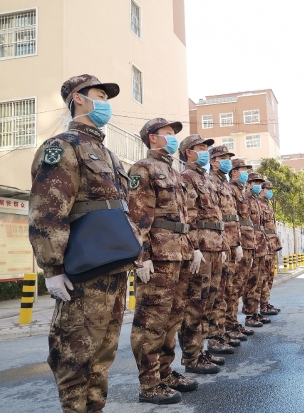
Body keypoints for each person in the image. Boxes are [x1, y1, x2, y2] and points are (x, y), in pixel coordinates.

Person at [29, 74, 134, 412]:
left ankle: (94, 407)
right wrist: (53, 268)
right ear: (78, 98)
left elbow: (123, 210)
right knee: (74, 353)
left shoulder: (109, 155)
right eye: (99, 95)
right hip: (83, 270)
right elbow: (48, 211)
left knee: (103, 352)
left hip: (114, 265)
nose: (106, 103)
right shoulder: (63, 146)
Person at [128, 118, 198, 404]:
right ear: (152, 138)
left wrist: (192, 248)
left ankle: (166, 373)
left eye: (173, 134)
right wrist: (141, 257)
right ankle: (149, 384)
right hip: (157, 255)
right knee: (151, 321)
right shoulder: (142, 168)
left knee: (173, 317)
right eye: (167, 133)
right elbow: (138, 216)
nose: (172, 138)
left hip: (179, 253)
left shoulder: (174, 173)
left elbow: (184, 218)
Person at [178, 134, 231, 374]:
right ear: (188, 152)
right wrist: (194, 248)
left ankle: (200, 351)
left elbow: (216, 217)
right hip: (202, 246)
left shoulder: (205, 179)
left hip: (215, 246)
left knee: (209, 300)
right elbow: (188, 215)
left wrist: (224, 245)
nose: (205, 152)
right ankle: (192, 357)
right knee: (195, 303)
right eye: (200, 148)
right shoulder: (187, 177)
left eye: (206, 148)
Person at [208, 145, 249, 343]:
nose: (226, 161)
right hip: (220, 242)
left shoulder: (224, 185)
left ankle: (227, 326)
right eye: (222, 158)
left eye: (228, 158)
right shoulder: (211, 182)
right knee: (220, 291)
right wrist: (223, 244)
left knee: (231, 287)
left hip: (231, 242)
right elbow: (215, 217)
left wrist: (237, 242)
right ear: (213, 161)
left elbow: (235, 219)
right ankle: (217, 332)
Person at [226, 159, 257, 334]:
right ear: (234, 172)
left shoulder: (241, 191)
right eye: (243, 170)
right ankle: (229, 324)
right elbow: (232, 219)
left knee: (240, 284)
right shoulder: (231, 189)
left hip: (247, 241)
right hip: (238, 242)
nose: (245, 173)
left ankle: (233, 322)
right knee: (233, 285)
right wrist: (236, 242)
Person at [241, 172, 271, 326]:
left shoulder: (256, 201)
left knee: (259, 280)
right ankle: (249, 315)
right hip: (250, 244)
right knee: (251, 281)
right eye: (255, 183)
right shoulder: (245, 199)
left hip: (260, 244)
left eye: (259, 183)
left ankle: (255, 312)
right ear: (248, 184)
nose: (258, 186)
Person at [258, 180, 283, 316]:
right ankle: (262, 306)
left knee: (270, 275)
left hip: (272, 244)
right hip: (265, 244)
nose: (270, 192)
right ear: (262, 190)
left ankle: (266, 303)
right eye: (268, 189)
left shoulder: (267, 204)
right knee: (263, 276)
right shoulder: (258, 204)